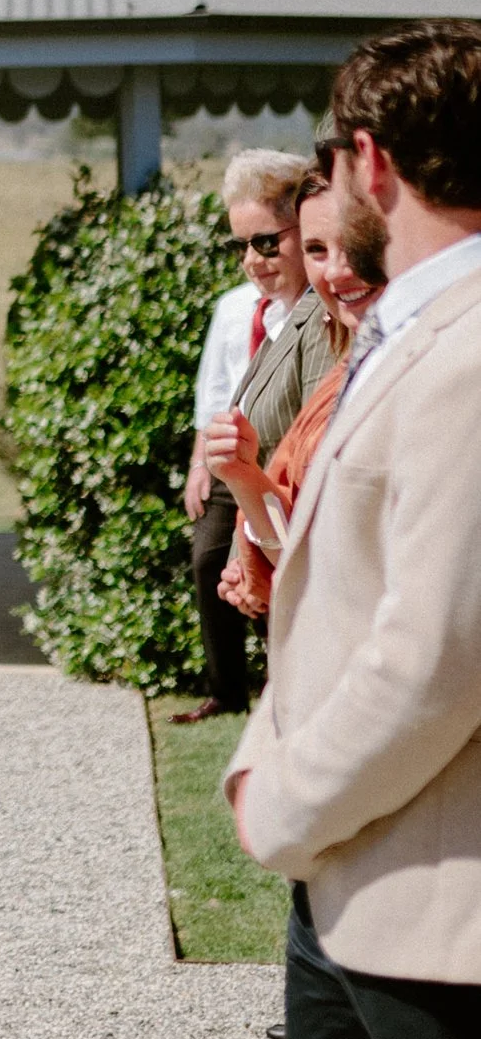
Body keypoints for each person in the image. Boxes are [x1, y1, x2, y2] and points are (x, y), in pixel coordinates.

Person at [226, 18, 481, 1039]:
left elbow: (437, 647)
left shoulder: (470, 350)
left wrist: (280, 793)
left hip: (447, 886)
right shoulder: (403, 327)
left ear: (368, 161)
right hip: (357, 880)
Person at [175, 150, 317, 723]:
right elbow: (216, 394)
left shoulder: (320, 313)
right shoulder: (237, 310)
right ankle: (227, 689)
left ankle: (279, 687)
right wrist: (199, 465)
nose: (253, 261)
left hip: (283, 476)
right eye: (241, 247)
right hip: (232, 468)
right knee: (213, 564)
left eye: (265, 243)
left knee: (277, 582)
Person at [204, 150, 377, 615]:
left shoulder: (334, 327)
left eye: (264, 243)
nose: (249, 261)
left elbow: (316, 499)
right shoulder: (296, 317)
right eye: (317, 250)